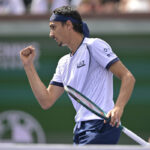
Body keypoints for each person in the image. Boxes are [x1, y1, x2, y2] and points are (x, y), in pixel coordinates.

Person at [20, 6, 135, 145]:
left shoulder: (93, 45)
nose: (51, 34)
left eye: (53, 27)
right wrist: (28, 66)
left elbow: (128, 77)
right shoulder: (63, 63)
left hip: (101, 125)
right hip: (80, 129)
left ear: (68, 25)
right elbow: (46, 101)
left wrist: (118, 107)